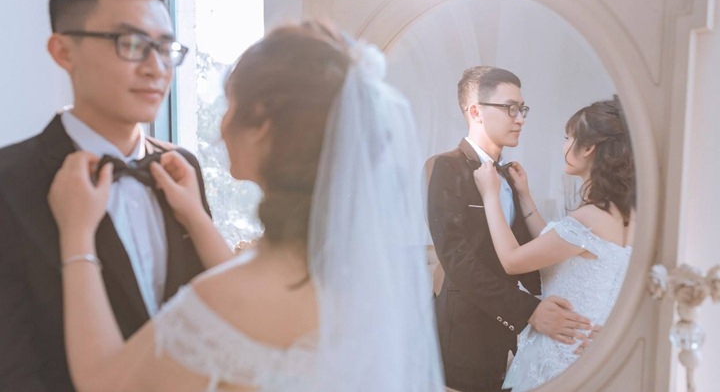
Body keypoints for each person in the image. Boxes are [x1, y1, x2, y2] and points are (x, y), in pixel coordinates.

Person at [47, 21, 445, 392]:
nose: (221, 127)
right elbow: (255, 292)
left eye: (230, 105)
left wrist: (77, 234)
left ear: (262, 126)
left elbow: (103, 381)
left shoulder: (224, 300)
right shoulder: (360, 277)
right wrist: (196, 217)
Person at [0, 0, 221, 392]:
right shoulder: (10, 180)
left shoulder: (182, 169)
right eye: (132, 44)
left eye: (165, 47)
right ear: (64, 52)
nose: (157, 68)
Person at [425, 66, 593, 392]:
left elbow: (527, 255)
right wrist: (529, 311)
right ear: (476, 112)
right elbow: (456, 259)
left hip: (515, 338)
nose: (520, 119)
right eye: (510, 108)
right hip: (465, 335)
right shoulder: (445, 167)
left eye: (522, 109)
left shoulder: (512, 176)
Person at [473, 97, 635, 392]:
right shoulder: (626, 216)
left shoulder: (590, 217)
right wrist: (524, 195)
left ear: (588, 148)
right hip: (590, 355)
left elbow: (512, 260)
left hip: (559, 355)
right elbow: (555, 245)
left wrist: (489, 195)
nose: (564, 146)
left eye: (568, 138)